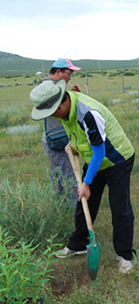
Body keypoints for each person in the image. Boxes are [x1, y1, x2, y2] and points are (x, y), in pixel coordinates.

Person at [30, 79, 136, 274]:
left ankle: (126, 255)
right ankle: (78, 244)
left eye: (52, 111)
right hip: (95, 159)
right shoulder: (65, 108)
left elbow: (99, 153)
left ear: (61, 104)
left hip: (117, 159)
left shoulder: (88, 114)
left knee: (119, 207)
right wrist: (72, 143)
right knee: (85, 201)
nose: (52, 116)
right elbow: (76, 130)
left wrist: (86, 182)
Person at [42, 58, 82, 205]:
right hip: (58, 139)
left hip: (53, 139)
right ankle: (74, 211)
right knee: (70, 176)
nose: (70, 78)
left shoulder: (55, 87)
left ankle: (59, 206)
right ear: (58, 71)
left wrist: (70, 95)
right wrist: (74, 98)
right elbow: (62, 112)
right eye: (69, 73)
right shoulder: (49, 88)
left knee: (57, 173)